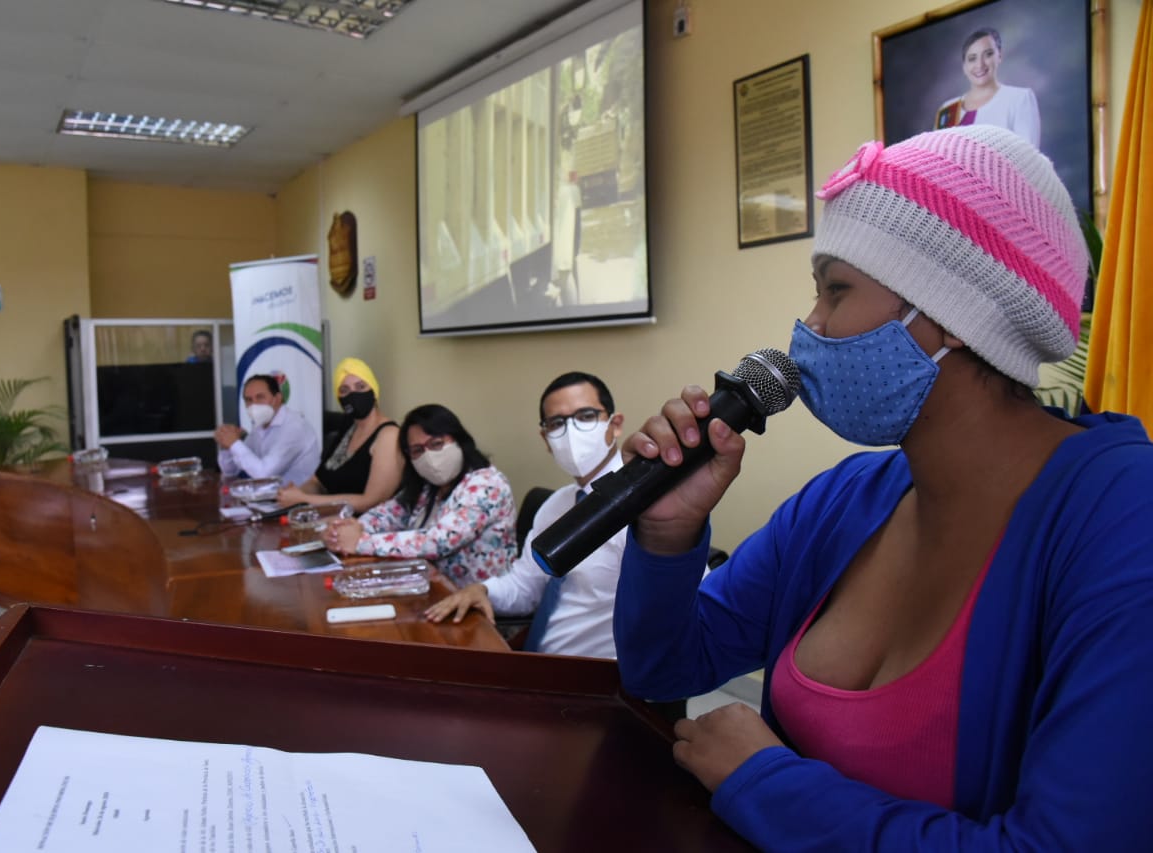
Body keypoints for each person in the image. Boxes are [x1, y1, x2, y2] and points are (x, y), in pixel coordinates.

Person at [613, 125, 1153, 849]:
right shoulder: (846, 498)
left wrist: (768, 783)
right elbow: (665, 666)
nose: (809, 329)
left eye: (836, 290)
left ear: (955, 315)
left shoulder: (1125, 521)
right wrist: (667, 536)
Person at [424, 371, 626, 658]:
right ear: (546, 438)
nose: (570, 432)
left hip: (601, 673)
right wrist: (482, 590)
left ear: (615, 425)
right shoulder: (557, 505)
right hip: (536, 662)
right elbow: (526, 585)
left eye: (585, 416)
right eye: (557, 423)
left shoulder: (642, 507)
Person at [323, 403, 516, 588]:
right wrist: (347, 530)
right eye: (417, 450)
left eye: (436, 444)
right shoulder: (428, 485)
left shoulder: (487, 484)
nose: (429, 456)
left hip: (482, 601)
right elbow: (387, 514)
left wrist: (359, 542)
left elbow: (439, 541)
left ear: (459, 440)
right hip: (433, 588)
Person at [277, 358, 403, 514]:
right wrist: (295, 494)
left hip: (360, 524)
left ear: (374, 390)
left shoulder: (389, 435)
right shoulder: (349, 427)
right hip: (327, 517)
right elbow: (318, 482)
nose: (353, 394)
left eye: (361, 386)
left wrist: (305, 499)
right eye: (344, 390)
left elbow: (371, 502)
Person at [934, 27, 1040, 148]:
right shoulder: (947, 110)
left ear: (999, 56)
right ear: (964, 66)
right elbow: (937, 156)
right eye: (972, 58)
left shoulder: (1019, 99)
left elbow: (1028, 155)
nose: (980, 65)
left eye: (988, 54)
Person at [215, 374, 321, 488]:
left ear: (277, 399)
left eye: (260, 397)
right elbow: (230, 471)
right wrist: (227, 445)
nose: (254, 404)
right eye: (249, 400)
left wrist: (234, 443)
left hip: (299, 497)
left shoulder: (294, 428)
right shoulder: (260, 425)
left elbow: (264, 475)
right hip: (270, 495)